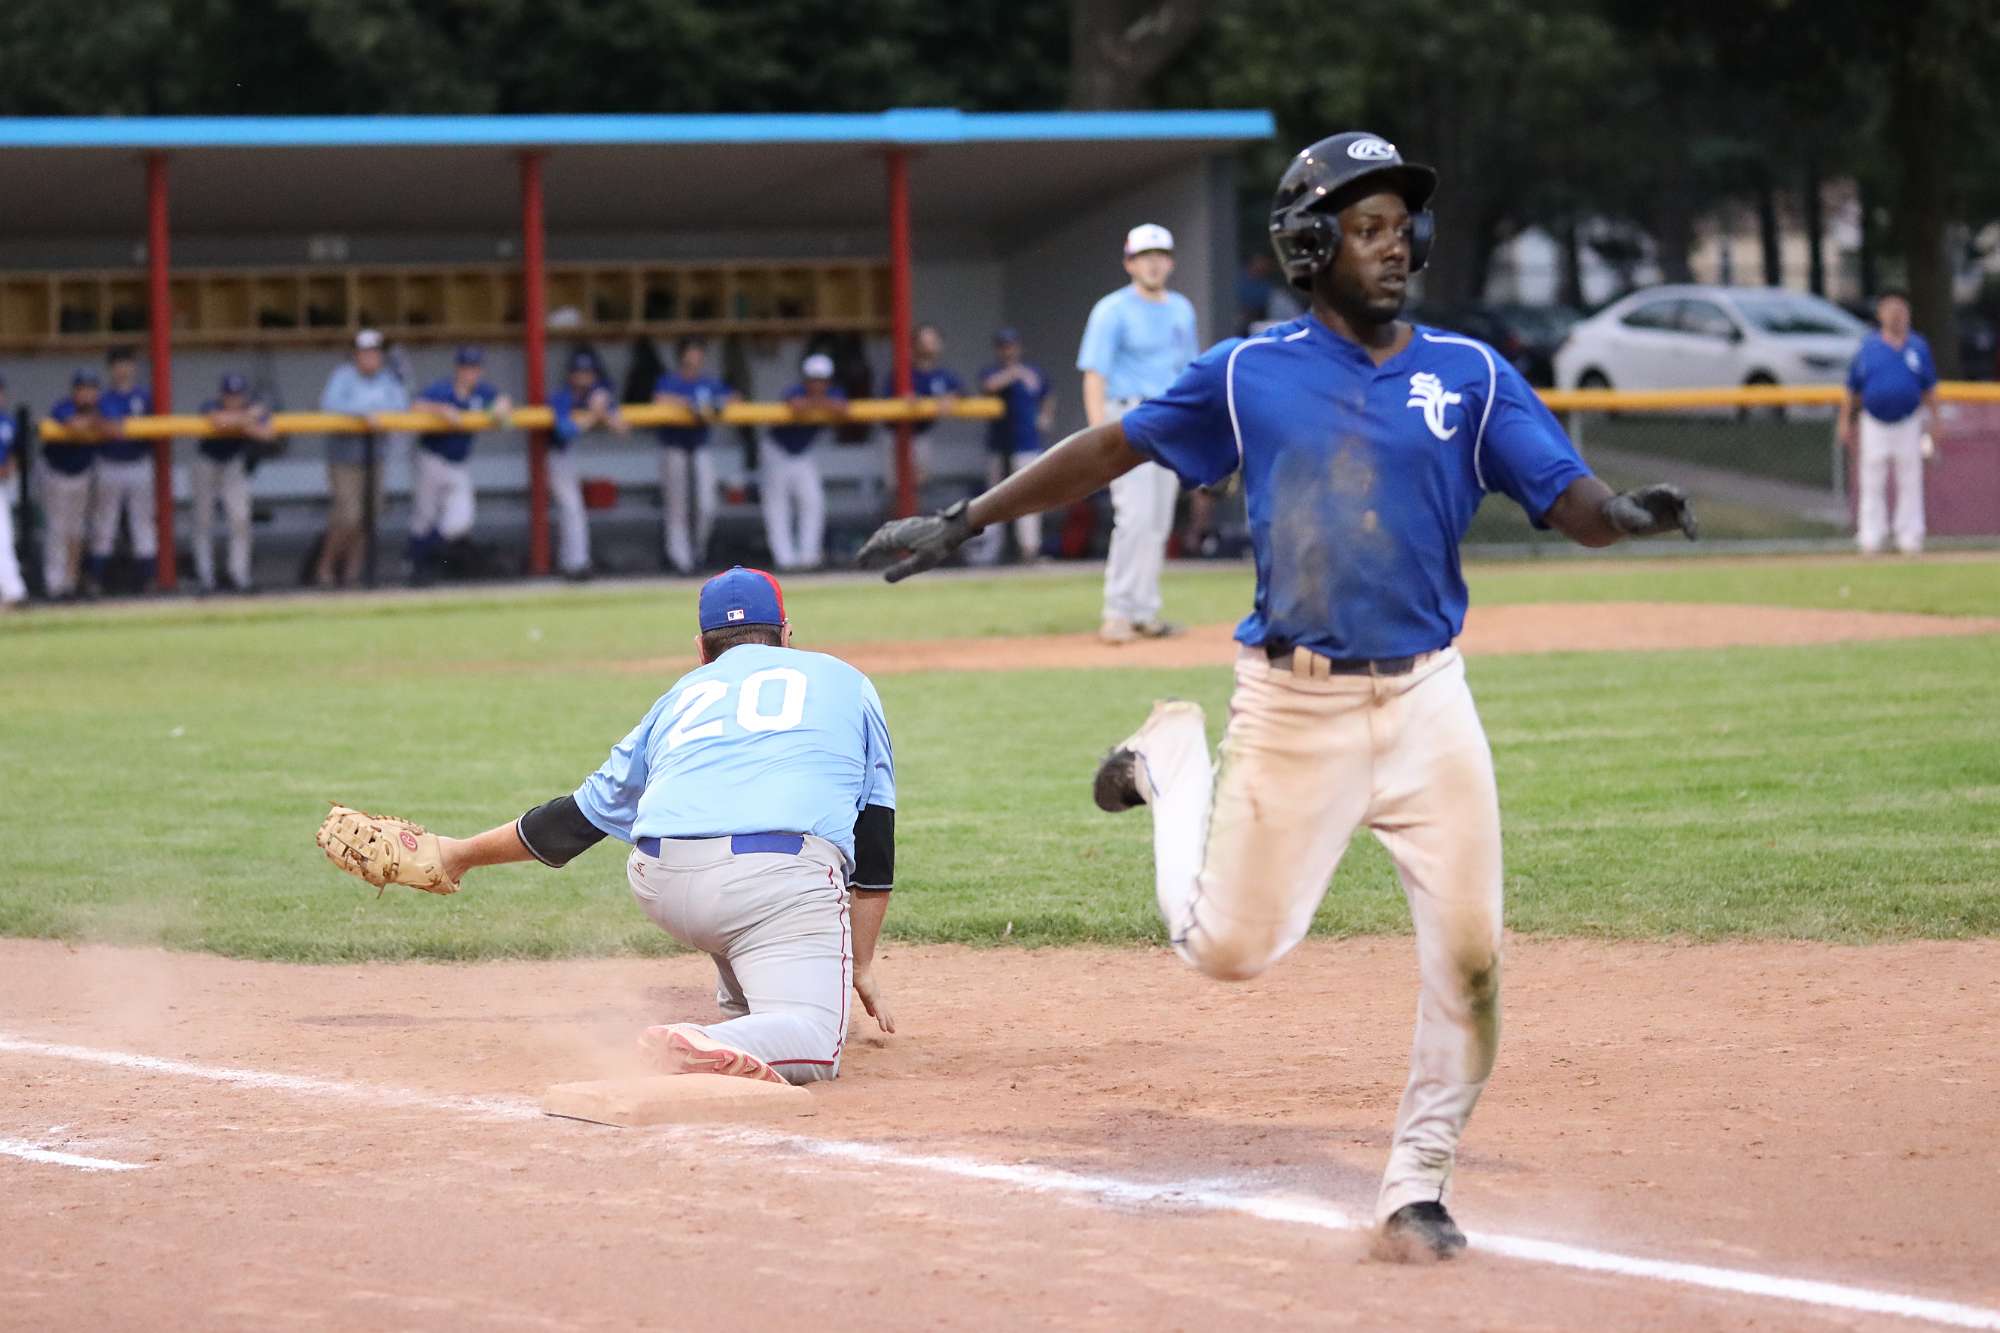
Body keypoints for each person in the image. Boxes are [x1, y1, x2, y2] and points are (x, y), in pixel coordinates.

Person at [856, 131, 1698, 1263]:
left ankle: (1415, 1189)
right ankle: (1170, 764)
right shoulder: (1248, 373)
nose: (1392, 246)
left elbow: (1567, 497)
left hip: (1429, 702)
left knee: (1471, 961)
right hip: (1294, 709)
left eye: (1401, 226)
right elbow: (1108, 448)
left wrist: (1623, 516)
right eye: (1365, 227)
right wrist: (964, 520)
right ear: (1308, 246)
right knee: (1226, 951)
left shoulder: (1470, 372)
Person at [348, 566, 898, 1084]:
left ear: (702, 649)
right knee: (817, 1038)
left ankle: (744, 1020)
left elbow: (579, 818)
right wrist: (862, 962)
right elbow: (874, 830)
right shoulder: (846, 681)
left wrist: (457, 854)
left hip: (663, 883)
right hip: (772, 885)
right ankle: (699, 1040)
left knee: (749, 928)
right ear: (787, 635)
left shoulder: (680, 697)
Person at [1077, 222, 1199, 644]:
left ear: (1171, 262)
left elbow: (1189, 372)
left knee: (1159, 519)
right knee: (1134, 516)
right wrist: (1098, 436)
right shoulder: (1112, 309)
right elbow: (1094, 374)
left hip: (1171, 418)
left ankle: (1145, 611)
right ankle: (1118, 611)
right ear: (1129, 263)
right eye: (1144, 256)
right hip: (1128, 415)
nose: (1153, 264)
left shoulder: (1181, 309)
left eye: (1160, 255)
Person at [1839, 290, 1939, 556]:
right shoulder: (1868, 347)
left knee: (1910, 480)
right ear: (1880, 314)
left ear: (1908, 314)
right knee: (1872, 480)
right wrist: (1845, 421)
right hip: (1874, 421)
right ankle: (1871, 536)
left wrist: (1936, 421)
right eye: (1890, 309)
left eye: (1900, 310)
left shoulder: (1917, 346)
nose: (1896, 315)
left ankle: (1910, 536)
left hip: (1909, 420)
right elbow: (1852, 388)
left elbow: (1929, 388)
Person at [409, 346, 512, 584]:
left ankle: (427, 558)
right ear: (458, 369)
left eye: (474, 368)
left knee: (460, 520)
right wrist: (441, 410)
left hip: (458, 463)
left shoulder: (481, 392)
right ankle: (414, 567)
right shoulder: (443, 389)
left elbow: (502, 402)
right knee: (424, 516)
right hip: (431, 458)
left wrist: (500, 408)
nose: (470, 373)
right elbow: (415, 405)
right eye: (466, 368)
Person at [316, 330, 410, 588]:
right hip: (345, 456)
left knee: (369, 516)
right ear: (356, 355)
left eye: (375, 353)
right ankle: (325, 567)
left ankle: (352, 574)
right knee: (348, 516)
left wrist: (377, 415)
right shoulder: (343, 376)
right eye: (365, 353)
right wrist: (362, 414)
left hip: (375, 455)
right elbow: (329, 405)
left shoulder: (388, 377)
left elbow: (401, 406)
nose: (370, 358)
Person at [653, 338, 737, 575]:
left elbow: (734, 397)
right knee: (676, 507)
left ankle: (698, 553)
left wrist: (717, 403)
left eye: (697, 355)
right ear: (681, 357)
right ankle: (680, 560)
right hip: (674, 447)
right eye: (690, 355)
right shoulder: (670, 381)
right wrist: (687, 404)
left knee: (706, 505)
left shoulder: (708, 383)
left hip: (700, 446)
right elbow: (659, 399)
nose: (693, 360)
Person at [191, 373, 277, 594]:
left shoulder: (252, 406)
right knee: (203, 519)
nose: (234, 400)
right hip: (207, 462)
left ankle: (239, 575)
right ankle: (205, 578)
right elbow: (218, 422)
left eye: (238, 396)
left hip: (233, 464)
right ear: (222, 395)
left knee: (240, 518)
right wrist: (247, 420)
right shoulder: (211, 405)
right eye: (230, 395)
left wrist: (238, 422)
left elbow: (268, 434)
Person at [762, 353, 847, 571]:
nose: (817, 384)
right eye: (813, 379)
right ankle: (784, 560)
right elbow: (796, 405)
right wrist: (820, 404)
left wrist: (818, 404)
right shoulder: (795, 390)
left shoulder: (834, 392)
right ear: (806, 379)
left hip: (803, 452)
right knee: (777, 506)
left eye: (822, 380)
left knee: (812, 501)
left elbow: (842, 408)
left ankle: (808, 558)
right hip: (777, 449)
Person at [548, 349, 628, 581]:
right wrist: (594, 416)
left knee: (574, 510)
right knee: (572, 509)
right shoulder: (561, 396)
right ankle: (575, 564)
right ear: (571, 375)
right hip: (553, 455)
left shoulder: (596, 395)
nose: (583, 378)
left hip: (573, 457)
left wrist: (605, 410)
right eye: (579, 373)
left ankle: (575, 563)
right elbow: (563, 432)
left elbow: (623, 429)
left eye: (588, 373)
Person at [979, 328, 1056, 561]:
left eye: (1011, 346)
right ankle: (991, 553)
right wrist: (1013, 374)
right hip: (998, 444)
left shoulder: (1033, 372)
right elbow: (989, 386)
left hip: (1027, 442)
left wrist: (1045, 416)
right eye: (1004, 346)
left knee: (1029, 496)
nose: (1008, 350)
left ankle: (1029, 550)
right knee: (993, 499)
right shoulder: (992, 371)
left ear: (1019, 347)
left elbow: (1047, 394)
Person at [90, 347, 158, 592]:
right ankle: (96, 580)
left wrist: (121, 428)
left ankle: (149, 580)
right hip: (109, 463)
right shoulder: (103, 398)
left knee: (143, 523)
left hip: (139, 463)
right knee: (104, 525)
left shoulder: (145, 397)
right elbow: (106, 427)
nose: (123, 369)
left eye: (127, 364)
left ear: (134, 367)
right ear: (111, 369)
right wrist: (117, 428)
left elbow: (154, 429)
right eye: (118, 364)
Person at [42, 371, 110, 600]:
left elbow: (115, 427)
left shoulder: (101, 409)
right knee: (57, 529)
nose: (88, 394)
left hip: (82, 475)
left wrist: (97, 422)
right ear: (75, 391)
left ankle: (69, 583)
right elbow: (74, 425)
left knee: (76, 531)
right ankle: (54, 584)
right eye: (83, 389)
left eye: (92, 389)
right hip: (57, 473)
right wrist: (95, 422)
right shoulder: (63, 406)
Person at [882, 323, 963, 488]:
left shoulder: (942, 375)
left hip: (921, 435)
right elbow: (886, 399)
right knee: (897, 485)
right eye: (923, 341)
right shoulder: (903, 373)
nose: (928, 346)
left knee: (920, 482)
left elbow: (961, 391)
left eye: (933, 341)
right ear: (915, 345)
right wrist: (905, 399)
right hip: (896, 435)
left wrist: (952, 396)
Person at [0, 374, 24, 608]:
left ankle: (13, 592)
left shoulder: (7, 422)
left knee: (3, 538)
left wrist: (10, 467)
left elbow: (15, 455)